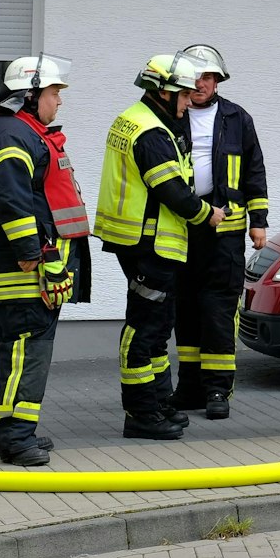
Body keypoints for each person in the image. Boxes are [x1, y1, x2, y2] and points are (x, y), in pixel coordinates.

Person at [0, 55, 87, 465]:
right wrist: (32, 254)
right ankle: (17, 440)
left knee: (10, 349)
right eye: (54, 92)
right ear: (30, 95)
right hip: (20, 269)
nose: (59, 101)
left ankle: (0, 436)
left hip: (20, 265)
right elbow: (12, 200)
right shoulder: (10, 133)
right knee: (26, 349)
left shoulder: (17, 131)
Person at [92, 52, 220, 441]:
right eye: (182, 94)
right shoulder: (151, 132)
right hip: (149, 243)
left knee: (158, 324)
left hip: (140, 241)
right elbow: (173, 193)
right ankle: (141, 412)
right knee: (145, 327)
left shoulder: (137, 119)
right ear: (163, 92)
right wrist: (207, 214)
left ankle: (159, 403)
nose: (189, 100)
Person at [169, 44, 267, 421]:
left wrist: (258, 222)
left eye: (207, 76)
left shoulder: (236, 118)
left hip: (226, 231)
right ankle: (190, 386)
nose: (200, 84)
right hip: (184, 227)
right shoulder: (172, 117)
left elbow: (253, 171)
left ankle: (217, 388)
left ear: (217, 80)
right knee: (185, 307)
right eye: (194, 77)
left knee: (219, 310)